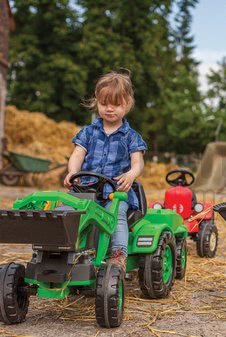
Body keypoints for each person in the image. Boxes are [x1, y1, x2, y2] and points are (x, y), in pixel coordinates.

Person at [64, 70, 147, 272]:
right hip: (86, 189)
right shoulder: (88, 132)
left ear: (127, 104)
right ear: (97, 103)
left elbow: (138, 163)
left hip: (116, 192)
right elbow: (77, 154)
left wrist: (130, 174)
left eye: (116, 104)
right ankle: (63, 249)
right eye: (104, 104)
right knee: (65, 211)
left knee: (116, 213)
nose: (109, 109)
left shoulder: (131, 137)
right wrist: (72, 172)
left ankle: (119, 254)